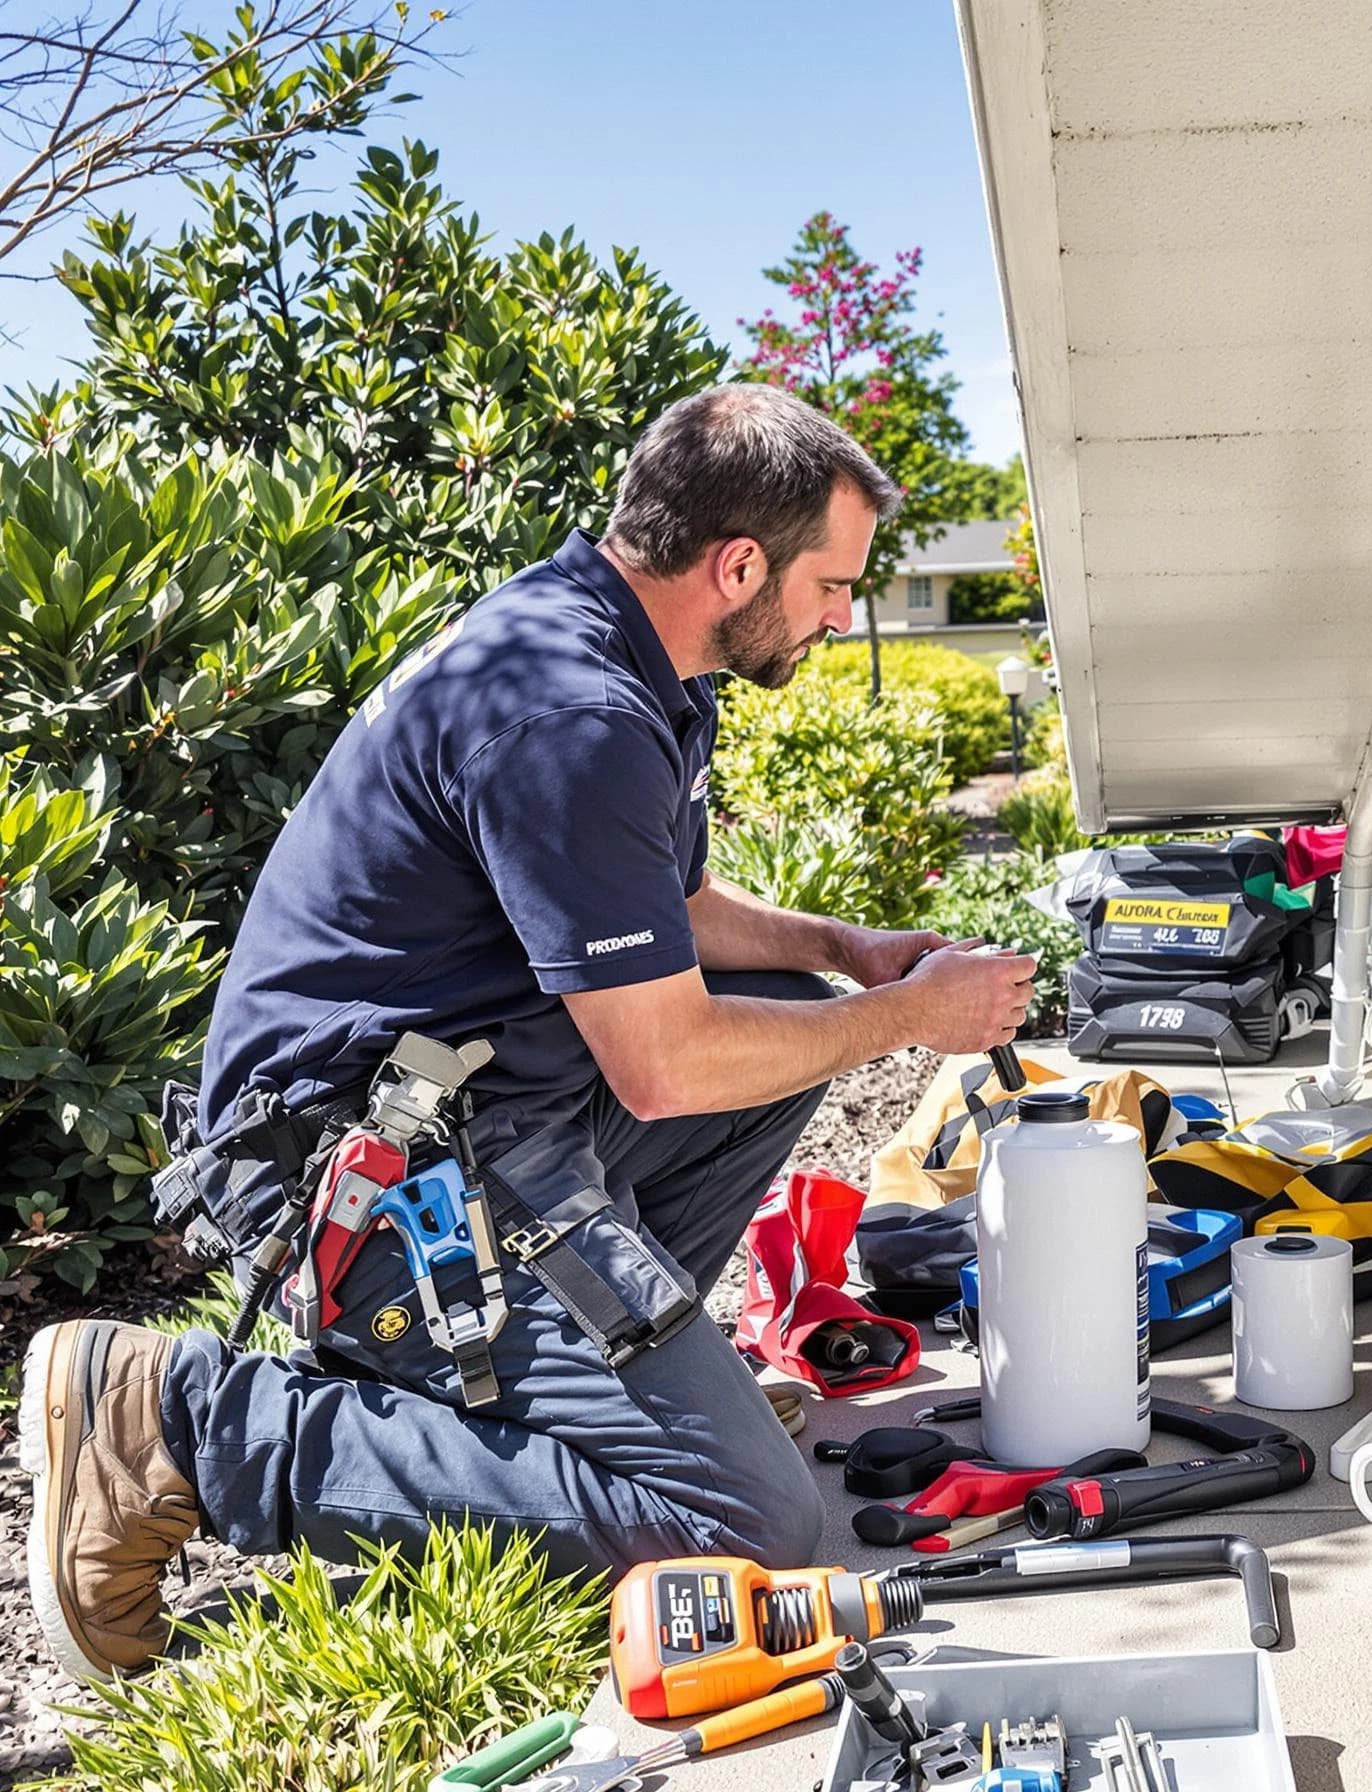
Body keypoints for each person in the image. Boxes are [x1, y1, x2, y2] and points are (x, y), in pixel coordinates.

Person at [18, 384, 1038, 1683]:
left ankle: (602, 1401)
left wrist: (844, 956)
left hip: (474, 1114)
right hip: (358, 1174)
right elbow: (664, 1067)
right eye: (833, 583)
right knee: (752, 1528)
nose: (843, 614)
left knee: (793, 1016)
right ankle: (177, 1424)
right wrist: (906, 1019)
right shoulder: (571, 713)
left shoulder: (625, 656)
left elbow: (659, 909)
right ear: (738, 564)